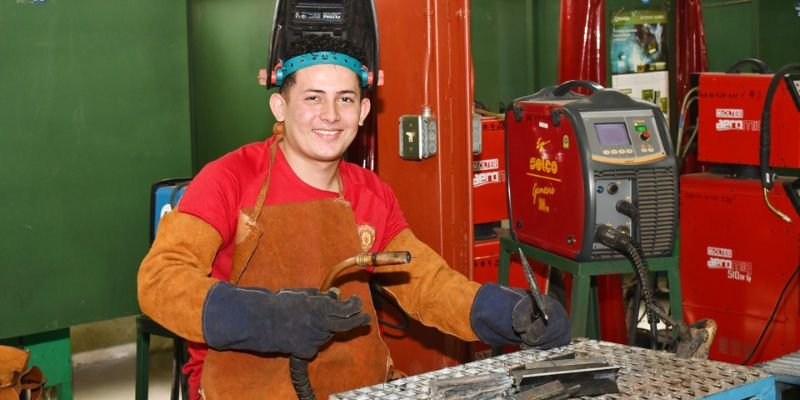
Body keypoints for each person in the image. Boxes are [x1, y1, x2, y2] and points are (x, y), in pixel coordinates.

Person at [137, 36, 570, 400]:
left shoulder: (370, 192)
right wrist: (265, 317)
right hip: (244, 386)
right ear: (279, 107)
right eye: (312, 98)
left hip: (357, 385)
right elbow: (160, 281)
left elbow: (426, 282)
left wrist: (503, 311)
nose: (330, 115)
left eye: (345, 99)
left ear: (363, 113)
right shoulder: (228, 179)